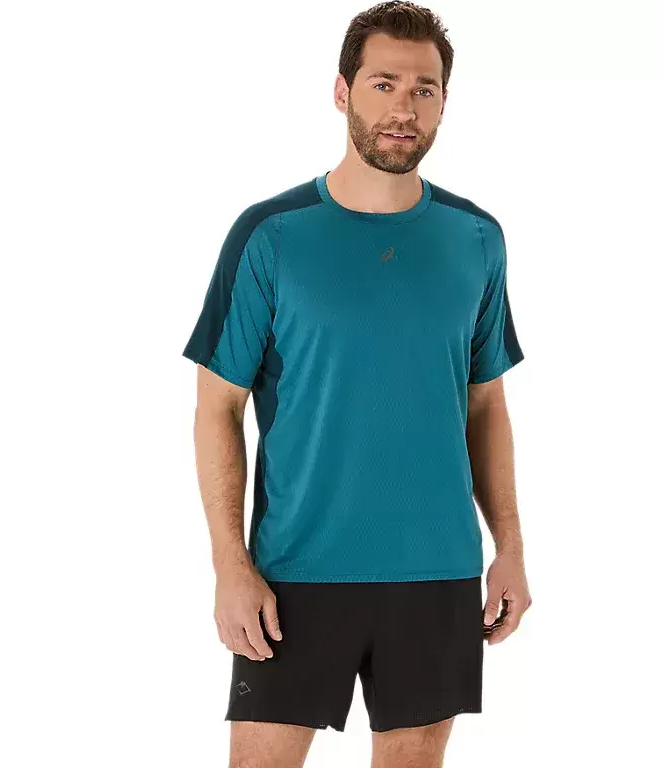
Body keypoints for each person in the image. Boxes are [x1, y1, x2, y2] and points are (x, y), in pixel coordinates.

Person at [183, 2, 532, 765]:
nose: (404, 107)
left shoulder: (477, 239)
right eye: (383, 84)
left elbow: (484, 404)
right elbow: (217, 407)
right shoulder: (270, 234)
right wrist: (230, 566)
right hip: (295, 572)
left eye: (423, 89)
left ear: (443, 102)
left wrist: (509, 547)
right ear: (342, 92)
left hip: (437, 570)